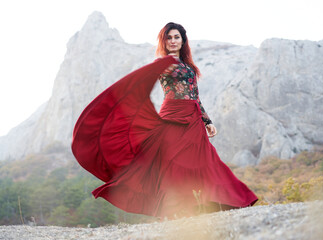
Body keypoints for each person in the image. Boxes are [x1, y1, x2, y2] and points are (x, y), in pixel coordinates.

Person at [71, 22, 258, 219]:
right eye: (169, 38)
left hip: (193, 117)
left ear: (183, 40)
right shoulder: (164, 64)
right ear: (164, 41)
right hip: (173, 118)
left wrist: (207, 120)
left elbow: (195, 95)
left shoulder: (189, 67)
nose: (173, 41)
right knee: (174, 164)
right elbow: (146, 78)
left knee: (206, 160)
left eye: (176, 37)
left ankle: (219, 203)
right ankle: (177, 210)